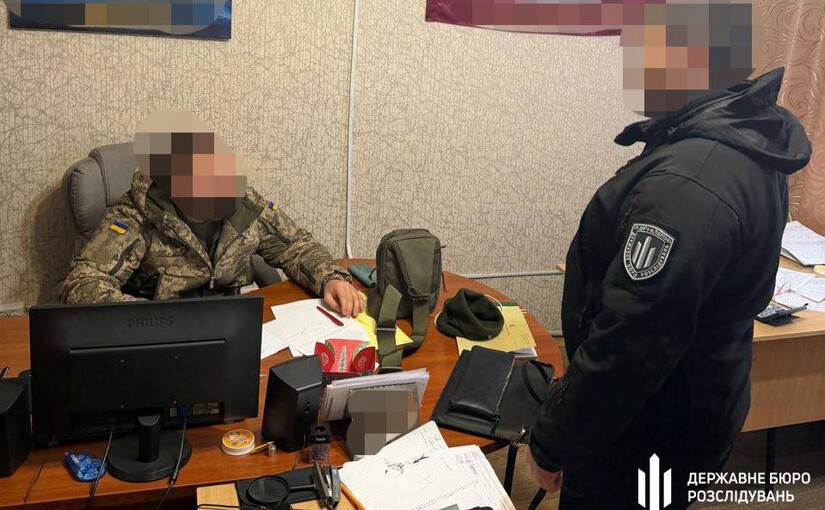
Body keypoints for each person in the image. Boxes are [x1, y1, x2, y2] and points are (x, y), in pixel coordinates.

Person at [525, 1, 812, 508]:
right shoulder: (740, 132)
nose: (628, 57)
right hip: (693, 405)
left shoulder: (690, 183)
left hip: (646, 432)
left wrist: (551, 442)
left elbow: (632, 342)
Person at [61, 110, 364, 318]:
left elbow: (296, 246)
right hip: (163, 334)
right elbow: (82, 284)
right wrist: (153, 320)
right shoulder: (136, 216)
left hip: (231, 324)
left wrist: (331, 279)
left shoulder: (244, 204)